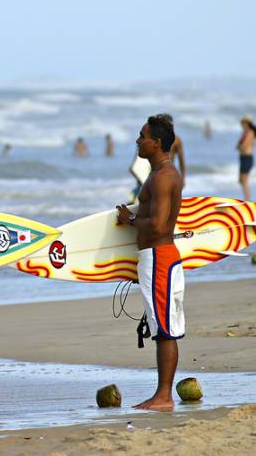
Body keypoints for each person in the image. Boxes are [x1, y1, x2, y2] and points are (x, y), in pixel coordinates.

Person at [116, 115, 184, 411]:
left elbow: (157, 225)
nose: (138, 140)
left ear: (156, 143)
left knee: (164, 329)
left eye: (142, 136)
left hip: (159, 257)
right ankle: (163, 394)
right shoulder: (162, 174)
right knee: (161, 326)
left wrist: (129, 219)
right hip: (157, 258)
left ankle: (164, 396)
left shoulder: (162, 177)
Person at [237, 116, 256, 200]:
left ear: (247, 123)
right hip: (243, 157)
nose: (241, 125)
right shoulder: (244, 132)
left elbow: (244, 146)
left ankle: (248, 200)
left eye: (242, 123)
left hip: (247, 157)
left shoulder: (250, 132)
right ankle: (247, 199)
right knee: (241, 180)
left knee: (244, 181)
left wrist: (240, 147)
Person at [161, 114, 185, 182]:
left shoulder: (177, 140)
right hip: (157, 173)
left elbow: (181, 160)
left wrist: (183, 178)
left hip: (169, 173)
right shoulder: (157, 140)